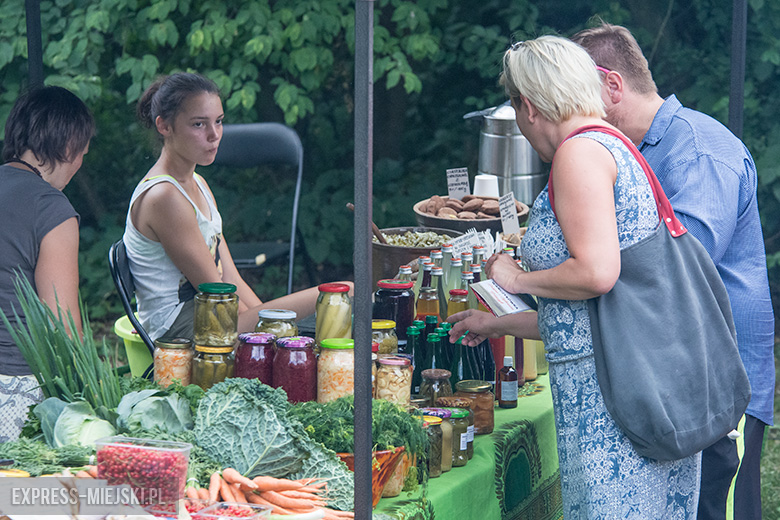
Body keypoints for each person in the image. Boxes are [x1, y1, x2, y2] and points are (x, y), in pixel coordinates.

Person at [449, 35, 700, 517]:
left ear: (528, 106)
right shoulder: (612, 145)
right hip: (632, 387)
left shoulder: (578, 155)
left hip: (613, 406)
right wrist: (494, 324)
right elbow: (591, 313)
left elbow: (596, 274)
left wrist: (515, 279)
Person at [570, 23, 775, 520]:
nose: (567, 111)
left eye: (574, 93)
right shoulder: (634, 152)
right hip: (679, 383)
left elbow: (679, 270)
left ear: (611, 85)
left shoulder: (700, 150)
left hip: (718, 392)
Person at [124, 72, 348, 341]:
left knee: (327, 308)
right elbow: (218, 294)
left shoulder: (198, 184)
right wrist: (270, 327)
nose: (214, 135)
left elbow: (232, 279)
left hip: (211, 313)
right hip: (182, 330)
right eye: (198, 124)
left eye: (218, 121)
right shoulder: (165, 197)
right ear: (164, 126)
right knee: (343, 292)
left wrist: (272, 328)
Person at [0, 86, 94, 441]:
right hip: (15, 390)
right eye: (82, 153)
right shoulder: (52, 208)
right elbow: (63, 327)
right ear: (69, 147)